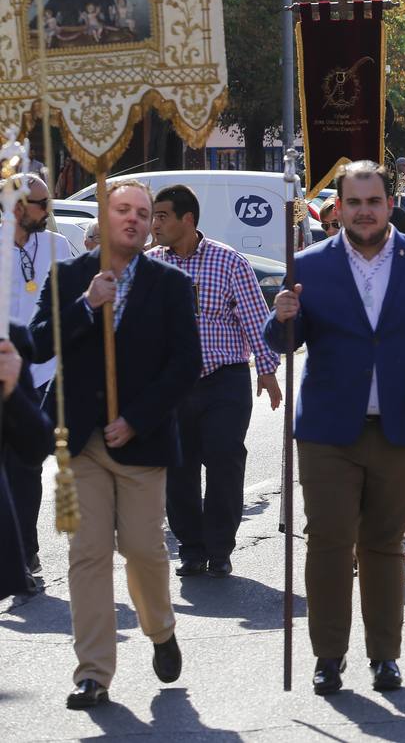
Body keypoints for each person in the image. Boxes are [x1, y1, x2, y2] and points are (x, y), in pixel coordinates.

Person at [264, 160, 405, 695]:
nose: (363, 212)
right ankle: (328, 657)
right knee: (329, 543)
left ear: (388, 204)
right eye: (352, 203)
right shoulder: (308, 263)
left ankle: (385, 656)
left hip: (403, 424)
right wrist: (280, 314)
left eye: (372, 201)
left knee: (383, 545)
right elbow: (283, 342)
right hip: (330, 431)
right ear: (339, 209)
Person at [31, 179, 202, 710]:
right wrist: (86, 306)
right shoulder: (70, 277)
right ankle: (93, 673)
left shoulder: (170, 285)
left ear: (152, 223)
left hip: (140, 442)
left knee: (144, 551)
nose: (133, 219)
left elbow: (184, 365)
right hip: (79, 442)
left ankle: (160, 628)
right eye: (122, 210)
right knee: (87, 554)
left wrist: (135, 418)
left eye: (143, 212)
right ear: (103, 218)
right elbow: (39, 340)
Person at [149, 185, 281, 580]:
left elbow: (257, 319)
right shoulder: (151, 265)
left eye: (162, 217)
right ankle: (191, 548)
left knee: (224, 461)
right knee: (179, 468)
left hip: (224, 379)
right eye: (153, 217)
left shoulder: (228, 262)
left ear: (187, 220)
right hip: (172, 385)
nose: (154, 225)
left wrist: (268, 370)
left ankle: (220, 547)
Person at [5, 174, 72, 582]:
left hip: (43, 373)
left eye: (48, 202)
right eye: (40, 203)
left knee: (27, 467)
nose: (48, 210)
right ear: (16, 206)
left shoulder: (58, 246)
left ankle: (26, 552)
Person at [0, 327, 53, 602]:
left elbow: (35, 447)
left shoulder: (9, 338)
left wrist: (12, 390)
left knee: (22, 475)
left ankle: (25, 552)